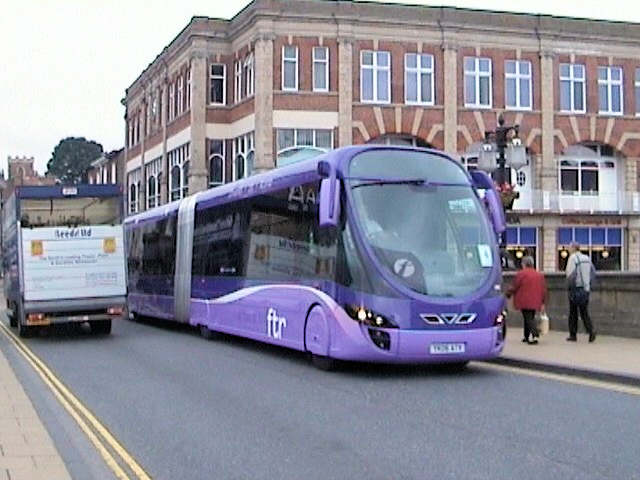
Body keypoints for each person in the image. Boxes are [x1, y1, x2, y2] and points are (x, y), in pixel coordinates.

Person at [506, 256, 547, 345]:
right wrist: (543, 302)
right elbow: (543, 289)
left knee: (528, 318)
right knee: (530, 317)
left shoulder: (521, 274)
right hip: (536, 300)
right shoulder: (539, 275)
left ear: (524, 264)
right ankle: (526, 336)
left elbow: (515, 286)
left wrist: (508, 294)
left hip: (524, 300)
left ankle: (534, 334)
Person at [565, 242, 596, 343]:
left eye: (569, 248)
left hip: (576, 288)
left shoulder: (573, 258)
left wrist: (570, 287)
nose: (568, 249)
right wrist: (588, 285)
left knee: (573, 312)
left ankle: (573, 334)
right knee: (584, 312)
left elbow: (571, 275)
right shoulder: (587, 258)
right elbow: (593, 273)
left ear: (574, 248)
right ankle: (591, 331)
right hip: (585, 289)